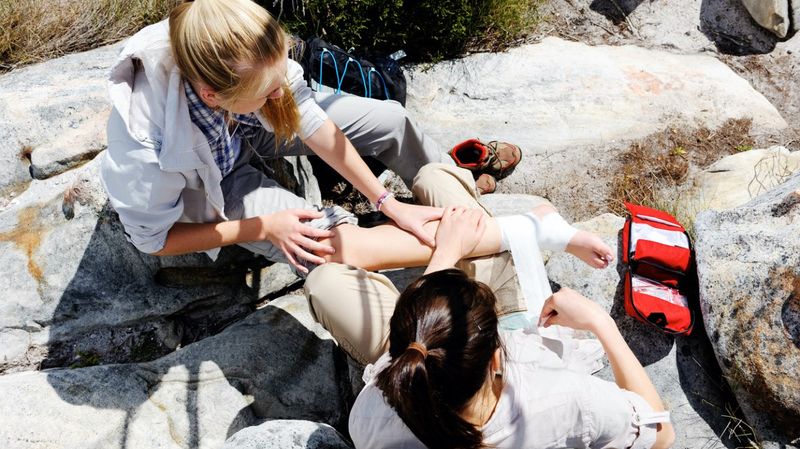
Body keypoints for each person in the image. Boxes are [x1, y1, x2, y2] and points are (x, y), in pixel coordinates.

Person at [100, 0, 521, 275]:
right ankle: (486, 238)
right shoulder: (145, 144)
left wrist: (386, 201)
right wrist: (263, 227)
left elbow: (312, 123)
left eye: (280, 77)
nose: (282, 94)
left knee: (391, 120)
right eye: (269, 91)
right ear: (213, 95)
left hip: (246, 127)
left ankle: (445, 199)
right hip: (215, 184)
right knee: (333, 244)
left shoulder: (225, 34)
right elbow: (154, 241)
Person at [348, 207, 676, 449]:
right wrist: (600, 322)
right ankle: (527, 228)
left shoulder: (371, 414)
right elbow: (661, 436)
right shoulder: (568, 401)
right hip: (535, 358)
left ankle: (523, 227)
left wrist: (445, 256)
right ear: (496, 359)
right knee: (458, 205)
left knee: (329, 276)